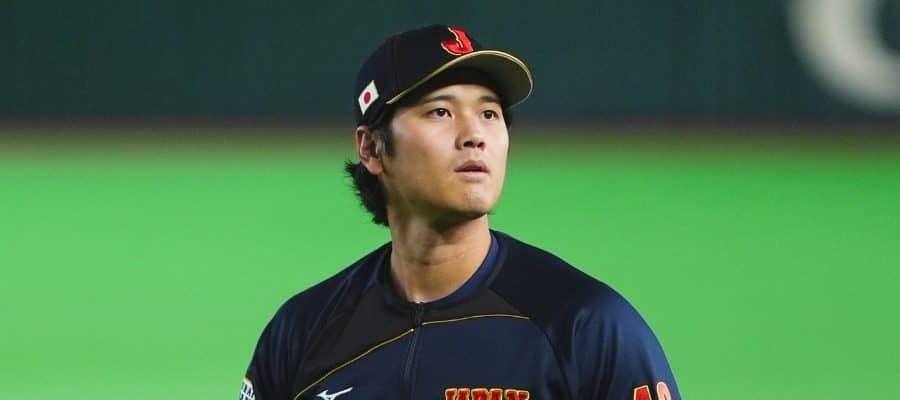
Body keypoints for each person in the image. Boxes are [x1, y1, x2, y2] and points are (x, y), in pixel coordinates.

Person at [240, 24, 680, 400]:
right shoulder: (304, 331)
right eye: (441, 111)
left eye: (489, 113)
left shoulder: (584, 325)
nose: (475, 135)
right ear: (372, 148)